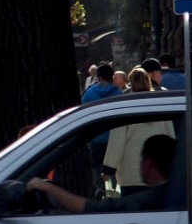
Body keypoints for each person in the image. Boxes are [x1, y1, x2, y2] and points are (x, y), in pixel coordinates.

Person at [27, 134, 176, 213]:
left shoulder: (152, 199)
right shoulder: (173, 195)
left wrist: (47, 187)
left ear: (149, 163)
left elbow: (92, 208)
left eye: (141, 159)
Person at [101, 108, 174, 197]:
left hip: (130, 176)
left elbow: (117, 142)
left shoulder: (124, 108)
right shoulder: (162, 108)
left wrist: (109, 169)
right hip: (157, 173)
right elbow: (170, 138)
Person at [81, 63, 123, 195]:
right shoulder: (117, 93)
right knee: (115, 165)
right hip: (114, 137)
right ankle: (117, 188)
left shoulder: (89, 93)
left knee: (96, 165)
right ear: (112, 77)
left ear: (98, 77)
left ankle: (99, 188)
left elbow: (83, 113)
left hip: (95, 137)